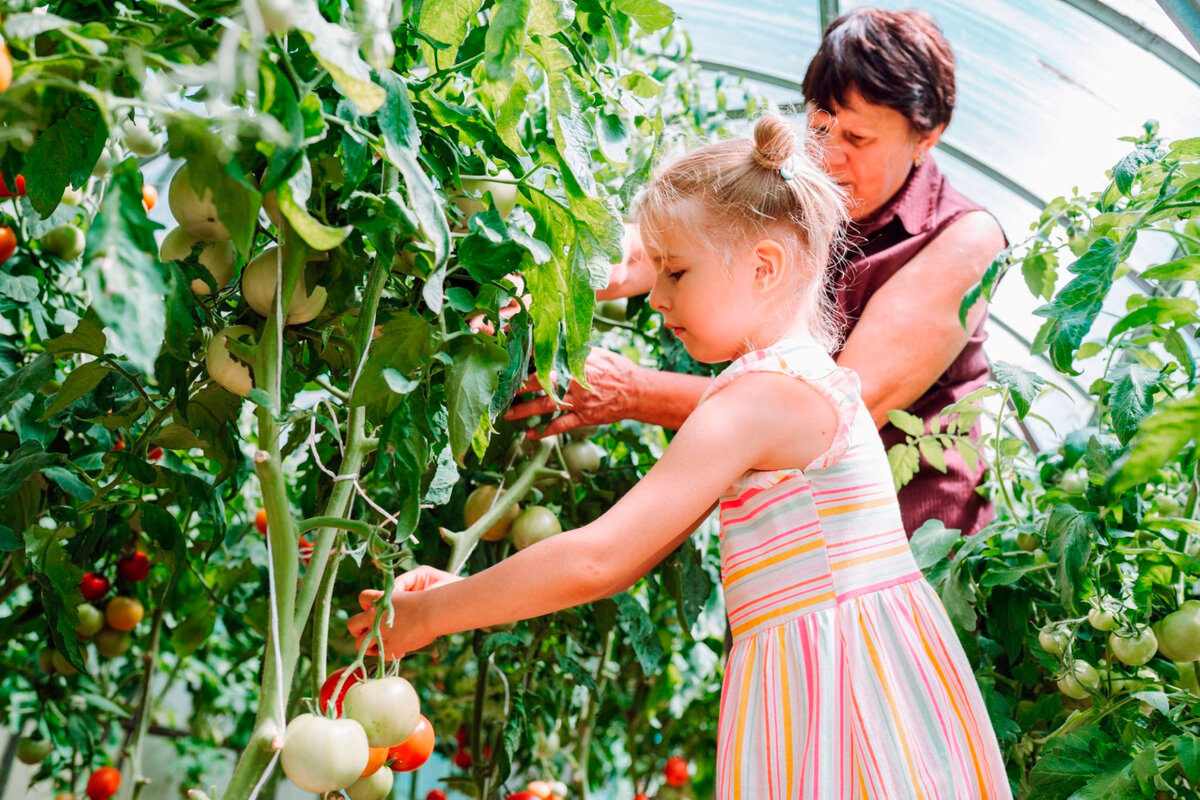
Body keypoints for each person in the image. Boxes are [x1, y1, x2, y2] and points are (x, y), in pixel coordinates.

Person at [348, 116, 1010, 799]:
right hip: (858, 677)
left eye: (677, 270)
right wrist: (455, 594)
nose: (657, 297)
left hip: (834, 691)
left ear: (765, 267)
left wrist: (430, 616)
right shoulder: (802, 380)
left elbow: (598, 558)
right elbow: (627, 559)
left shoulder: (758, 401)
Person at [507, 8, 1007, 539]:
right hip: (792, 545)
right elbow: (651, 251)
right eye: (819, 128)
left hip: (911, 549)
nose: (829, 157)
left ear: (927, 136)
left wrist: (632, 390)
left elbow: (843, 406)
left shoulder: (964, 239)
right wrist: (541, 277)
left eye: (858, 140)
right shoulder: (797, 190)